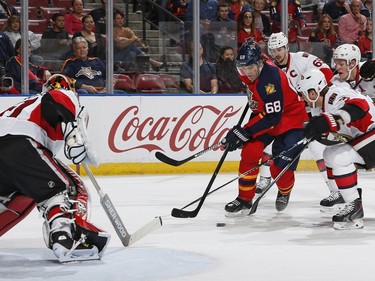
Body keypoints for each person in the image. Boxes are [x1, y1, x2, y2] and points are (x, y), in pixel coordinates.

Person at [0, 74, 110, 262]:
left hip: (10, 152)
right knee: (65, 187)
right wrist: (73, 136)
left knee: (24, 194)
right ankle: (66, 239)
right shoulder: (62, 95)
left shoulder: (24, 106)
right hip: (20, 143)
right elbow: (58, 98)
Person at [222, 39, 308, 216]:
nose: (247, 73)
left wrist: (244, 132)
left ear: (260, 63)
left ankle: (284, 191)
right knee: (250, 152)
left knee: (280, 167)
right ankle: (245, 199)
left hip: (291, 119)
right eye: (243, 69)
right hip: (268, 114)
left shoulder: (271, 78)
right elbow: (263, 110)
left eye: (250, 68)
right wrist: (240, 133)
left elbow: (273, 117)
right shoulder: (250, 68)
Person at [265, 32, 339, 211]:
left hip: (310, 110)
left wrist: (311, 86)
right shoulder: (268, 69)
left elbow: (327, 72)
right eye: (273, 50)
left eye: (280, 49)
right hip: (287, 115)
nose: (277, 53)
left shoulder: (302, 59)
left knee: (318, 150)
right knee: (270, 147)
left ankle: (335, 191)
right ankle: (265, 181)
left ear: (286, 48)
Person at [297, 68, 375, 229]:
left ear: (313, 92)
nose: (302, 98)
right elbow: (338, 133)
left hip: (371, 136)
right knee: (330, 154)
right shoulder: (323, 104)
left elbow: (360, 105)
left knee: (338, 157)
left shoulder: (334, 95)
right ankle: (346, 197)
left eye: (303, 93)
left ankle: (354, 206)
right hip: (367, 138)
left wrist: (332, 120)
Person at [61, 36, 125, 95]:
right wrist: (84, 87)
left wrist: (108, 87)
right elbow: (65, 78)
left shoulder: (97, 61)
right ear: (74, 51)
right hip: (83, 91)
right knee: (82, 92)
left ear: (87, 49)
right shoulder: (70, 63)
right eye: (78, 48)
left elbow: (109, 76)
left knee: (121, 93)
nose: (82, 50)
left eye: (84, 47)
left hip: (102, 91)